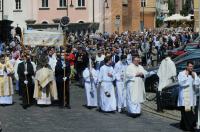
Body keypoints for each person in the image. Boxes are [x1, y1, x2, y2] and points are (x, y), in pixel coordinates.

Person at [177, 61, 200, 131]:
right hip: (184, 97)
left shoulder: (194, 73)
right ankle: (190, 126)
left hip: (191, 96)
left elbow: (198, 83)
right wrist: (186, 76)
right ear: (186, 66)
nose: (191, 68)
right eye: (189, 66)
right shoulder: (181, 73)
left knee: (185, 113)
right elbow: (181, 83)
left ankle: (183, 125)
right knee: (187, 112)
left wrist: (195, 78)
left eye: (192, 66)